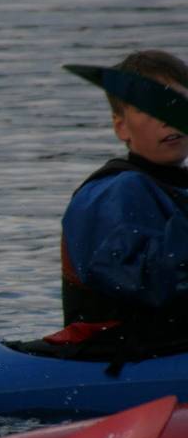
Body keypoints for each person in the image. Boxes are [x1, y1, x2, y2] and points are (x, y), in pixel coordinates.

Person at [49, 49, 188, 366]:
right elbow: (144, 283)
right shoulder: (114, 191)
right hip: (116, 360)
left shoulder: (177, 187)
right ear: (121, 127)